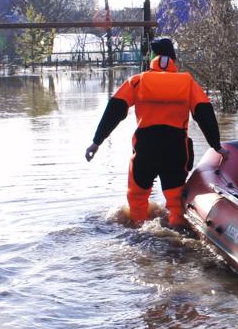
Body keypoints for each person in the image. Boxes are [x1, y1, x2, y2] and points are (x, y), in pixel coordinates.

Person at [85, 38, 224, 226]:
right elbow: (204, 113)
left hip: (145, 150)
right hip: (176, 150)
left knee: (137, 198)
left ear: (152, 57)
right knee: (176, 203)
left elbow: (114, 110)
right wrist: (216, 145)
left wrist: (97, 142)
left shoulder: (137, 81)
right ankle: (176, 235)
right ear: (173, 58)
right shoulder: (188, 83)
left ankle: (137, 230)